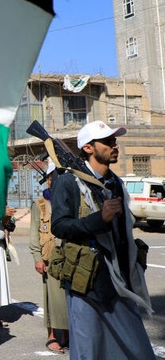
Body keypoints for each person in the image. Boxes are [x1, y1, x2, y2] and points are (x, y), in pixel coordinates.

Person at [51, 121, 154, 359]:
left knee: (136, 349)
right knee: (88, 350)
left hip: (118, 280)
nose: (114, 146)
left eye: (114, 141)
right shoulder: (68, 181)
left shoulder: (115, 183)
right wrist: (99, 219)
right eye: (107, 142)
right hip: (86, 282)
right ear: (88, 148)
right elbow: (59, 226)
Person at [29, 160, 69, 354]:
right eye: (53, 176)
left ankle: (69, 335)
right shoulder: (40, 204)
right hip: (50, 257)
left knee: (70, 298)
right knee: (52, 299)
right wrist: (37, 257)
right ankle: (52, 336)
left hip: (69, 256)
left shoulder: (70, 199)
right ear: (48, 180)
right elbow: (34, 233)